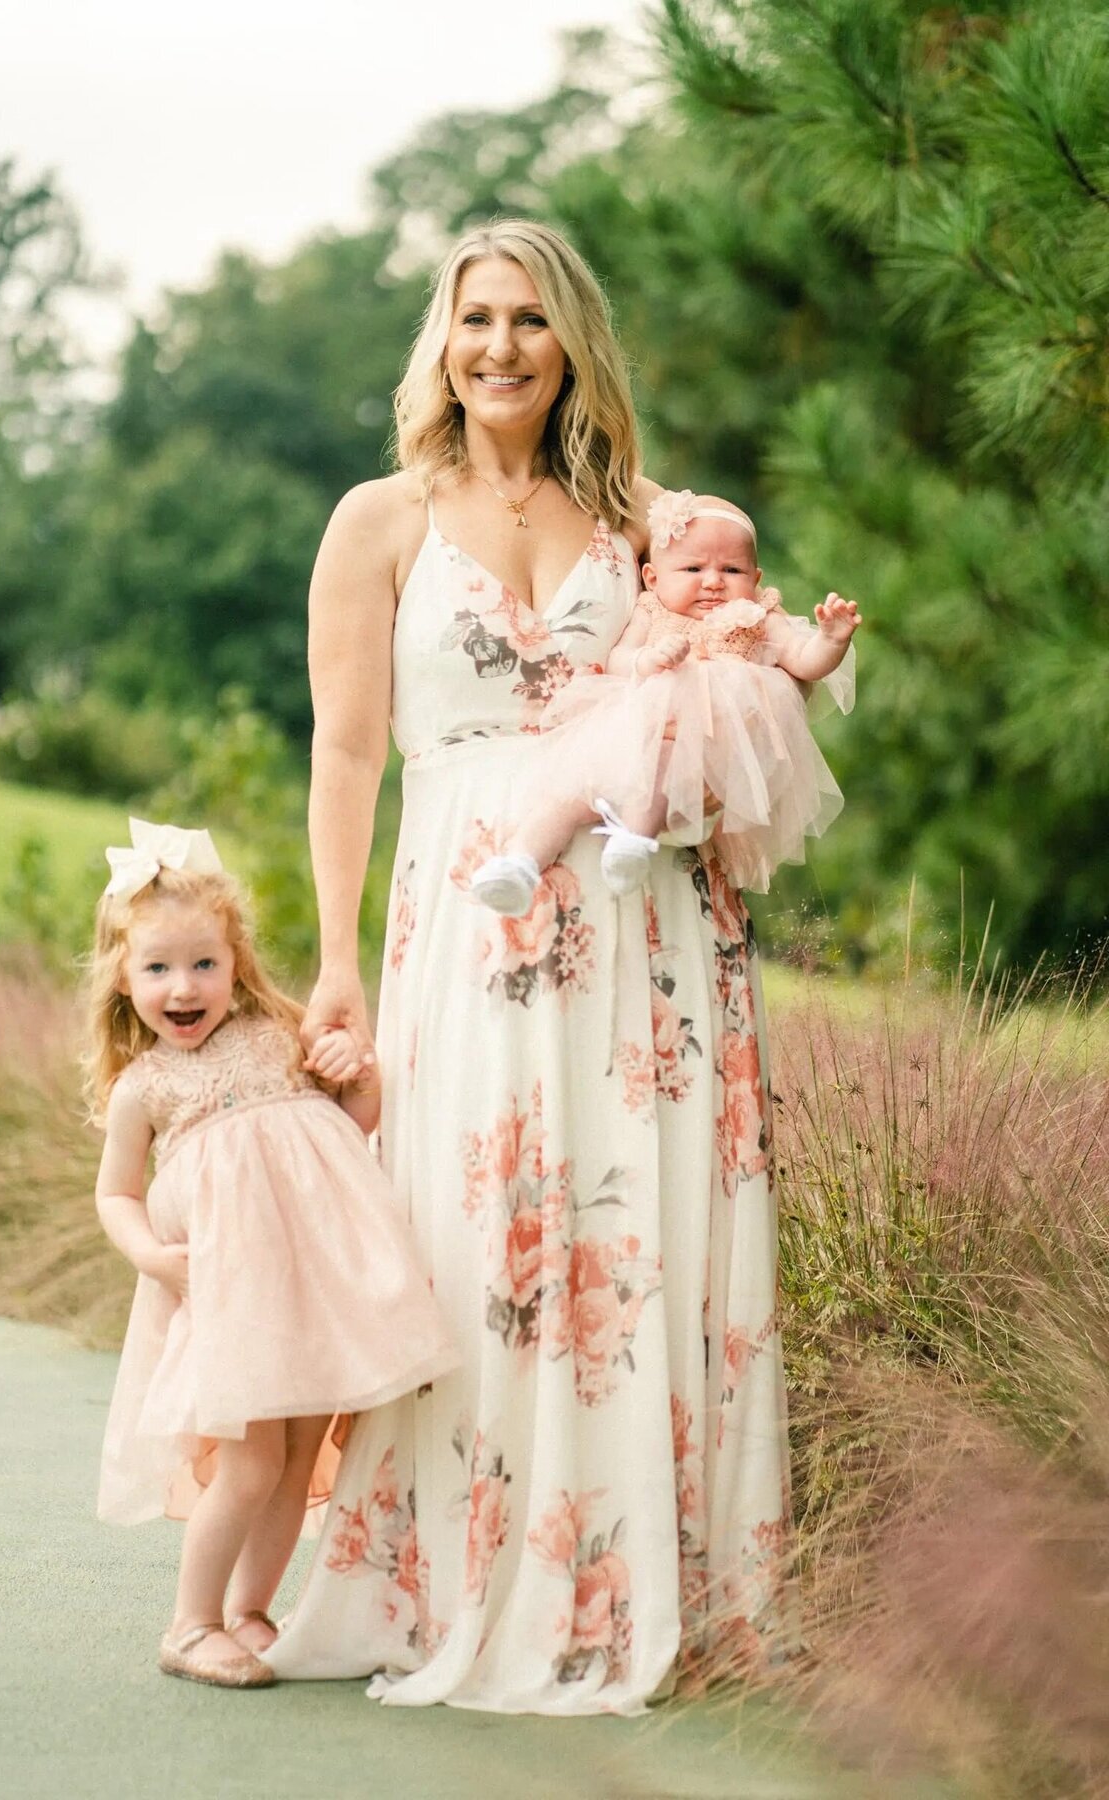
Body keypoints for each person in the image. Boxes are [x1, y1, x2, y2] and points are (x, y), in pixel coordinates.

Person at [271, 220, 801, 1713]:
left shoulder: (647, 517)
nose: (499, 346)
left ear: (573, 342)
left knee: (632, 1230)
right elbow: (351, 751)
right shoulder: (377, 521)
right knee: (474, 1229)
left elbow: (724, 679)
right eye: (475, 318)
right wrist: (334, 966)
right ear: (441, 339)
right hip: (464, 908)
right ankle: (464, 1567)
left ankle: (656, 1576)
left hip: (644, 929)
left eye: (530, 320)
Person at [88, 818, 457, 1688]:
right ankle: (190, 1623)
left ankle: (253, 1610)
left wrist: (352, 1066)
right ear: (123, 981)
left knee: (296, 1453)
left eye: (204, 964)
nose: (185, 986)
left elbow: (348, 1126)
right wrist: (151, 1256)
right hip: (231, 1292)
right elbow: (115, 1193)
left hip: (306, 1286)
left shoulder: (276, 1032)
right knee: (249, 1459)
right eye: (159, 969)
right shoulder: (145, 1087)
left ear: (236, 962)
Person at [470, 487, 861, 910]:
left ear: (756, 579)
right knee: (571, 788)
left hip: (699, 748)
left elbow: (803, 662)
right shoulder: (653, 610)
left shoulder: (757, 617)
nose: (713, 582)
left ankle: (633, 841)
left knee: (661, 770)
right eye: (693, 567)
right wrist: (647, 661)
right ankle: (519, 864)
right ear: (653, 578)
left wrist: (831, 640)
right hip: (628, 726)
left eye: (732, 570)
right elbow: (619, 658)